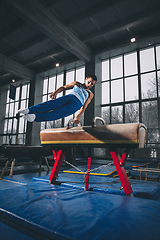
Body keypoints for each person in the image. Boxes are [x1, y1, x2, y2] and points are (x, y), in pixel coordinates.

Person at [17, 74, 97, 124]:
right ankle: (29, 110)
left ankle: (35, 117)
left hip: (76, 105)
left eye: (92, 84)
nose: (89, 85)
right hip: (70, 97)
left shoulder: (90, 94)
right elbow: (63, 87)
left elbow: (84, 107)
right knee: (51, 104)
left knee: (57, 114)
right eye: (89, 82)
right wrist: (55, 92)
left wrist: (77, 117)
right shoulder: (77, 84)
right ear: (86, 79)